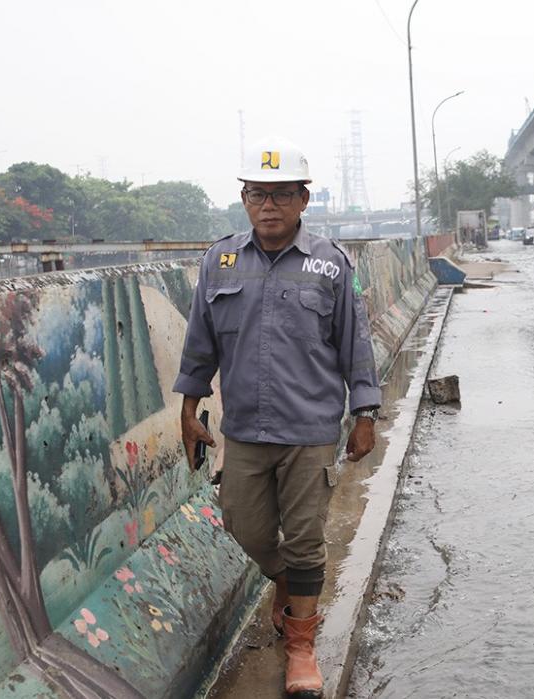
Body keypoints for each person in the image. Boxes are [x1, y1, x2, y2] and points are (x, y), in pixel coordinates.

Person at [173, 137, 381, 699]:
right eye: (257, 195)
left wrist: (365, 411)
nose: (269, 206)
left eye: (281, 195)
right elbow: (199, 344)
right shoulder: (219, 261)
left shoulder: (330, 264)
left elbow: (355, 343)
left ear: (302, 200)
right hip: (243, 429)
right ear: (244, 199)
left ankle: (301, 646)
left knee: (307, 537)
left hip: (309, 430)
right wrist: (189, 409)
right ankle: (289, 588)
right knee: (244, 523)